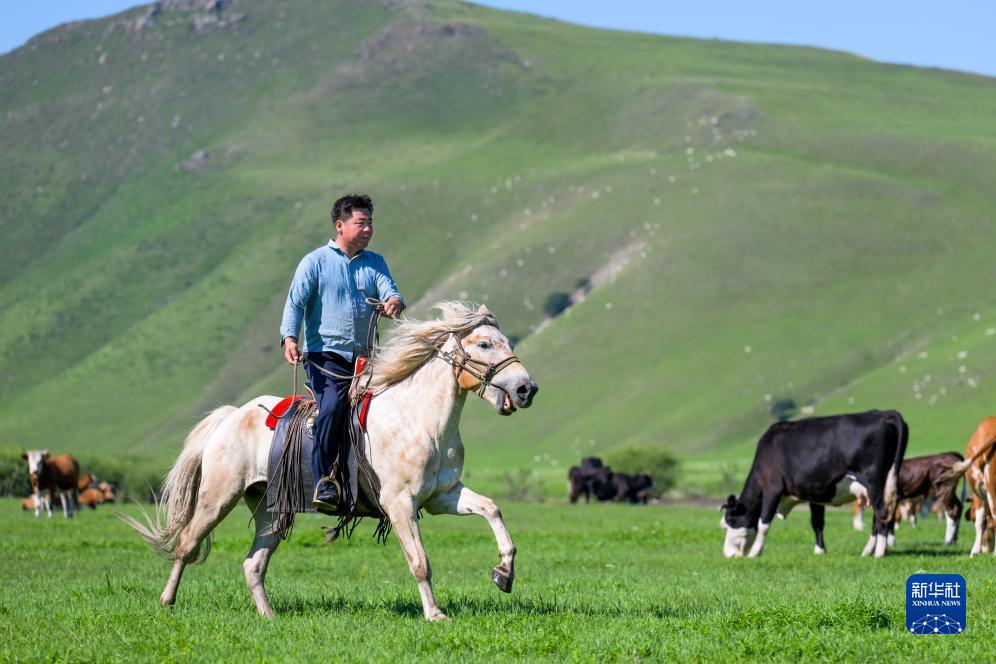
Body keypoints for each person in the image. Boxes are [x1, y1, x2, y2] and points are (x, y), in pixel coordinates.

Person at [280, 194, 404, 514]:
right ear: (340, 225)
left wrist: (393, 301)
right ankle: (325, 481)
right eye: (361, 223)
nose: (368, 229)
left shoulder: (375, 262)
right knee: (333, 407)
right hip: (326, 357)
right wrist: (290, 338)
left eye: (370, 224)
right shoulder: (315, 261)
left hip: (366, 358)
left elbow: (388, 289)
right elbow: (296, 302)